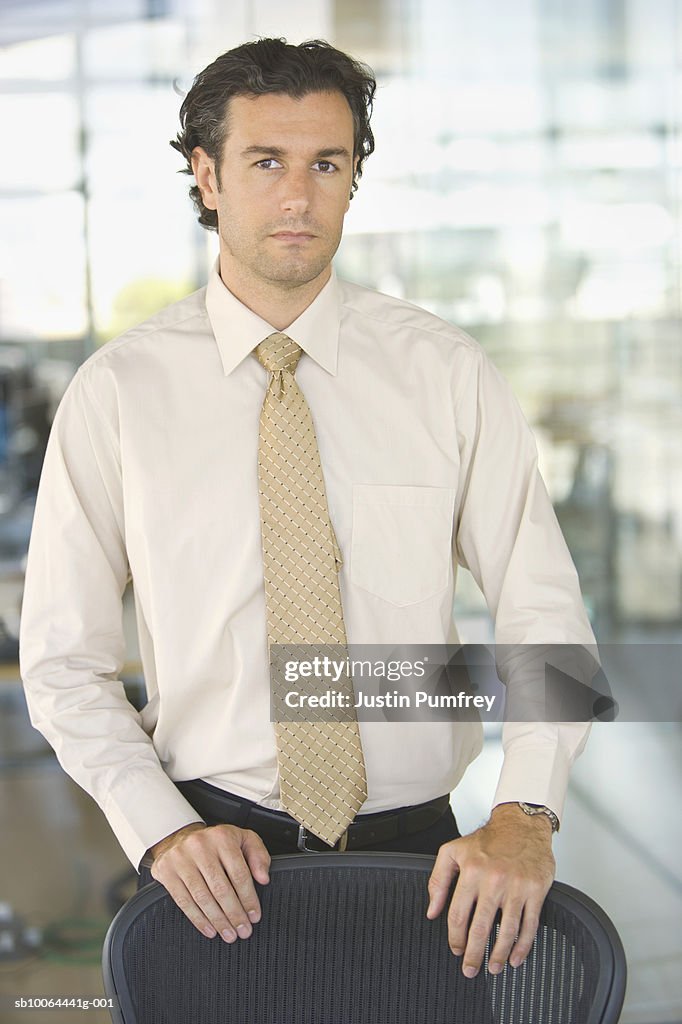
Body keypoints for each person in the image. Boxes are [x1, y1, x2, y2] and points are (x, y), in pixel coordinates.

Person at [19, 37, 597, 981]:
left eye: (327, 163)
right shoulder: (117, 393)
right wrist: (159, 832)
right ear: (206, 176)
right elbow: (62, 664)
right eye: (265, 163)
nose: (298, 196)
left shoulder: (445, 374)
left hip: (429, 869)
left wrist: (526, 813)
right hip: (208, 860)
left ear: (355, 177)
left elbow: (547, 617)